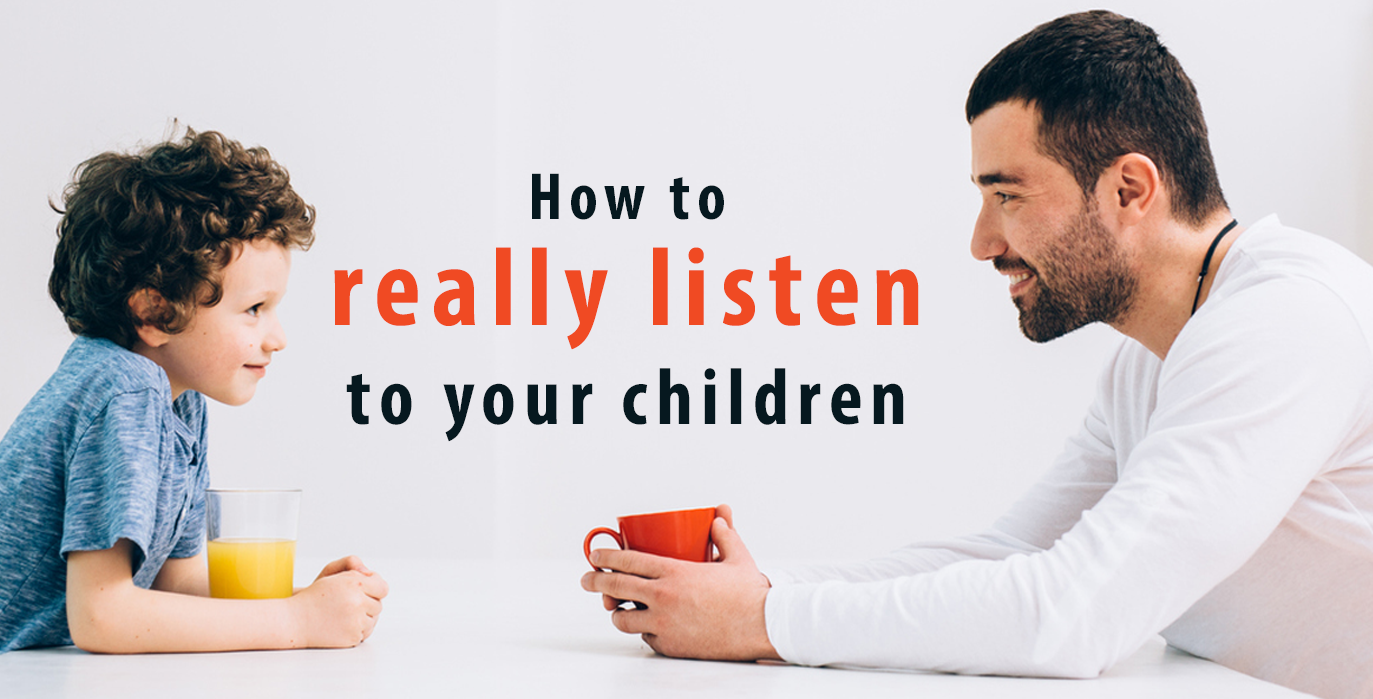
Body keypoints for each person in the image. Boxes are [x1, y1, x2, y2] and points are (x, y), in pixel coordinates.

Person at [581, 11, 1373, 699]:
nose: (982, 242)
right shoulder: (1150, 362)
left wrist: (758, 621)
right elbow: (1006, 555)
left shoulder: (1290, 321)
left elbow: (1075, 611)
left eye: (1009, 195)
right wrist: (760, 591)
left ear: (1130, 189)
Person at [0, 129, 389, 694]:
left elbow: (175, 583)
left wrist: (299, 599)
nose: (278, 337)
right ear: (155, 312)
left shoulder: (181, 399)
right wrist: (295, 624)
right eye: (255, 309)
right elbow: (102, 616)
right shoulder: (125, 390)